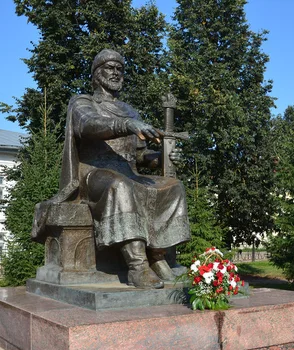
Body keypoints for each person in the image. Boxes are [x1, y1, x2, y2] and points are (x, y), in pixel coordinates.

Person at [32, 49, 190, 289]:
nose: (116, 73)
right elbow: (88, 125)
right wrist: (125, 125)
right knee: (119, 186)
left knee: (173, 186)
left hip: (128, 172)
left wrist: (162, 158)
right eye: (110, 67)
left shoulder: (130, 111)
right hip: (93, 176)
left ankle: (158, 257)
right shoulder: (82, 102)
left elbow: (140, 156)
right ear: (97, 73)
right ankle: (137, 267)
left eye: (120, 69)